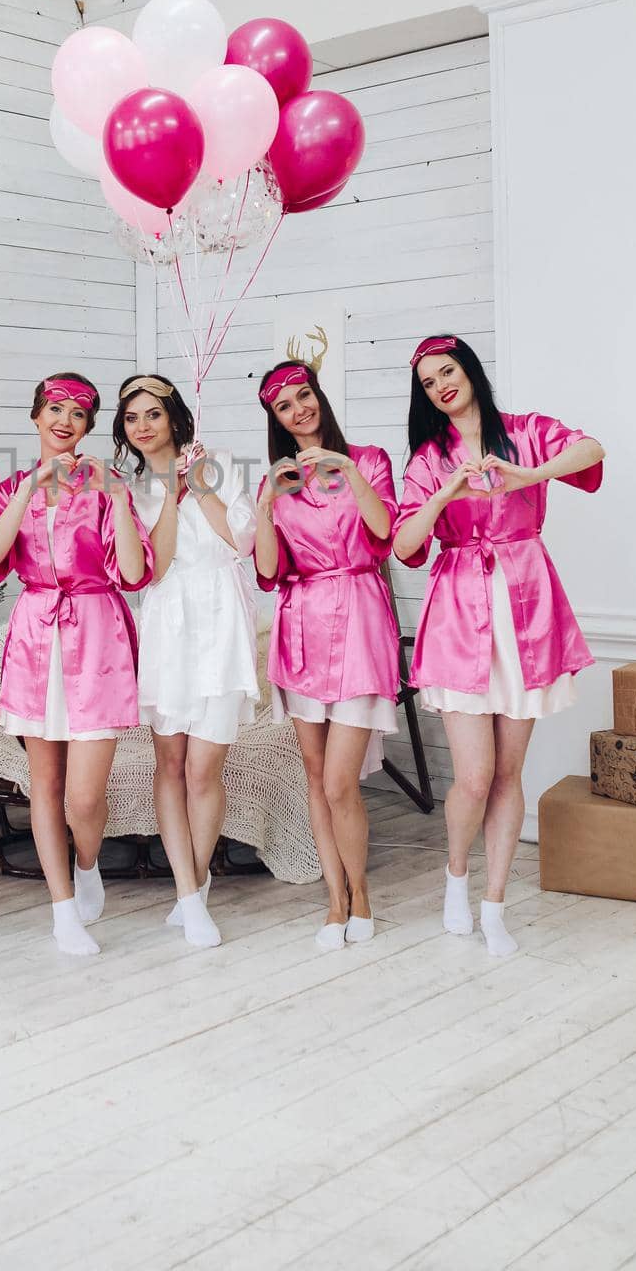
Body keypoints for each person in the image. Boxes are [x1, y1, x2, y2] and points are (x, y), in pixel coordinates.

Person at [393, 334, 604, 957]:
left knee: (509, 772)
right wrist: (444, 495)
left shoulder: (526, 430)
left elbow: (592, 450)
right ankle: (456, 882)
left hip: (524, 609)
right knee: (475, 775)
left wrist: (530, 474)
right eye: (429, 382)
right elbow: (405, 546)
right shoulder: (428, 459)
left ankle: (494, 905)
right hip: (459, 613)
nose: (441, 387)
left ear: (470, 371)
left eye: (448, 372)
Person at [0, 373, 152, 956]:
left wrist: (122, 498)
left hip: (97, 635)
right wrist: (29, 488)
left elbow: (131, 574)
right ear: (36, 416)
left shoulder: (107, 487)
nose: (64, 421)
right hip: (36, 638)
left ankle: (87, 863)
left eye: (78, 415)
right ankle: (62, 912)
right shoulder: (12, 488)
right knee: (44, 787)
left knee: (83, 797)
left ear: (87, 427)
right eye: (54, 409)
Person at [254, 358, 400, 951]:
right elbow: (267, 569)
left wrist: (345, 469)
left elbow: (385, 530)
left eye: (304, 396)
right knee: (317, 779)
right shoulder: (279, 481)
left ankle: (360, 893)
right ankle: (334, 902)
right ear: (276, 419)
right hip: (301, 630)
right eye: (284, 406)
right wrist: (266, 505)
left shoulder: (368, 460)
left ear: (319, 396)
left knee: (341, 782)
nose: (299, 409)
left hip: (361, 622)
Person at [115, 373, 257, 948]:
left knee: (204, 769)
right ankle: (187, 895)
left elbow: (240, 542)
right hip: (169, 623)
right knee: (169, 765)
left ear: (175, 416)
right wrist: (169, 492)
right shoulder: (128, 489)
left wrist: (199, 486)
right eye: (132, 418)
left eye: (153, 413)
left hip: (221, 622)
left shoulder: (219, 463)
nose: (143, 425)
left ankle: (196, 889)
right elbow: (150, 567)